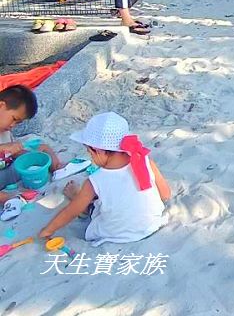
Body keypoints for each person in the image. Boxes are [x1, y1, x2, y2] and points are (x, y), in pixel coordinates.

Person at [38, 112, 170, 246]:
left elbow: (71, 212)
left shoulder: (95, 180)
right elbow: (165, 194)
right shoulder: (143, 159)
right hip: (151, 225)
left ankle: (81, 200)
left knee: (90, 204)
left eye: (90, 153)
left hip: (115, 234)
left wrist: (47, 230)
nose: (91, 158)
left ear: (98, 151)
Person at [0, 86, 61, 216]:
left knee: (43, 150)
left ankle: (58, 169)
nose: (12, 125)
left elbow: (13, 155)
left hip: (7, 169)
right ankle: (6, 198)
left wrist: (31, 156)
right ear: (1, 106)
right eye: (14, 119)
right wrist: (4, 147)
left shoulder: (5, 130)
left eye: (17, 123)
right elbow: (5, 149)